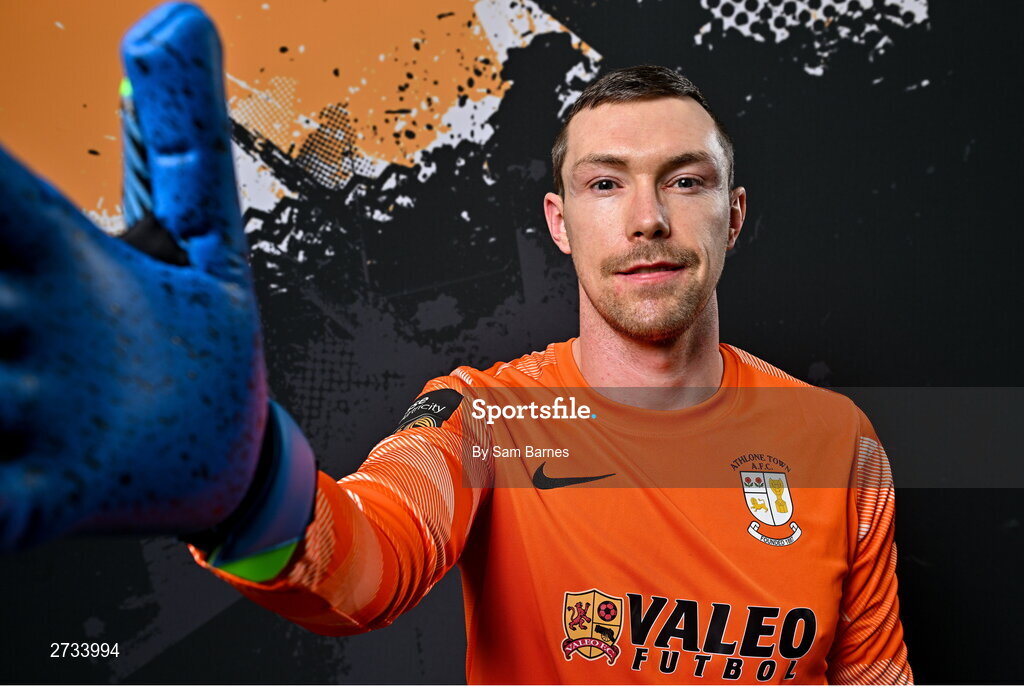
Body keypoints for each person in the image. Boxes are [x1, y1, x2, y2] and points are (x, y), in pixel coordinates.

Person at [0, 2, 911, 684]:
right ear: (559, 223)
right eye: (605, 184)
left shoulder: (838, 440)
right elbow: (364, 558)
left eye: (685, 181)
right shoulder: (488, 421)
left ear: (733, 215)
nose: (646, 220)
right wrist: (242, 492)